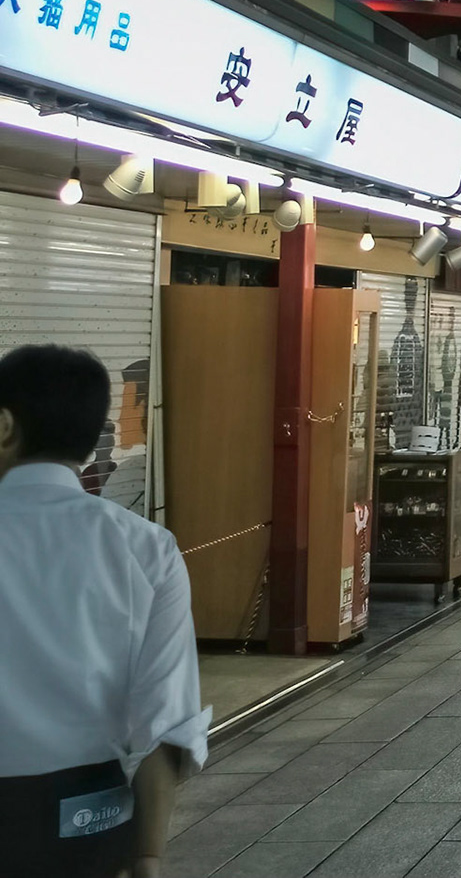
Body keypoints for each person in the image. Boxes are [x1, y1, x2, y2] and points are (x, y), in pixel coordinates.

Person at [0, 344, 208, 878]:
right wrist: (148, 856)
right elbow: (164, 720)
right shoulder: (146, 548)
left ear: (4, 426)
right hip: (89, 819)